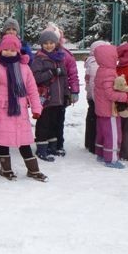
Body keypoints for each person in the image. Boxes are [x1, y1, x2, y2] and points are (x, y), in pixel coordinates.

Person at [0, 35, 47, 181]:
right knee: (2, 141)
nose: (9, 52)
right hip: (2, 111)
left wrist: (37, 108)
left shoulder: (25, 69)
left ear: (18, 51)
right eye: (5, 49)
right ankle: (5, 169)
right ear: (0, 50)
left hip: (21, 112)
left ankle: (33, 170)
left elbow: (32, 89)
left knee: (24, 141)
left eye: (12, 50)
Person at [30, 30, 69, 162]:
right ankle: (41, 148)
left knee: (54, 124)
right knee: (43, 124)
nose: (49, 45)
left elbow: (64, 79)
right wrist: (51, 73)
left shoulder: (60, 58)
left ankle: (52, 147)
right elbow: (35, 77)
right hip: (46, 99)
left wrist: (66, 94)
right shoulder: (39, 59)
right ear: (41, 44)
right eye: (45, 43)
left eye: (51, 43)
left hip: (58, 99)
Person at [41, 23, 79, 155]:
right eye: (46, 42)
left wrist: (74, 91)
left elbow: (72, 74)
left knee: (58, 120)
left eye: (53, 41)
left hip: (61, 94)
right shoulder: (41, 57)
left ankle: (58, 144)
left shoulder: (64, 55)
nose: (50, 45)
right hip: (46, 96)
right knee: (46, 120)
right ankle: (45, 143)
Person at [93, 43, 128, 169]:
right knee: (113, 134)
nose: (116, 59)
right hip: (109, 110)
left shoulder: (101, 70)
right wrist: (125, 97)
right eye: (114, 57)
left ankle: (100, 153)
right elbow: (110, 93)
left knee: (103, 133)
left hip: (101, 109)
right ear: (109, 58)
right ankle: (111, 159)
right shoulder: (109, 73)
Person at [84, 40, 109, 154]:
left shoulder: (92, 62)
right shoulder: (96, 64)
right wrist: (97, 100)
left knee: (91, 119)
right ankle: (93, 144)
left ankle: (89, 143)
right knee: (94, 121)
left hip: (93, 97)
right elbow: (94, 83)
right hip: (96, 98)